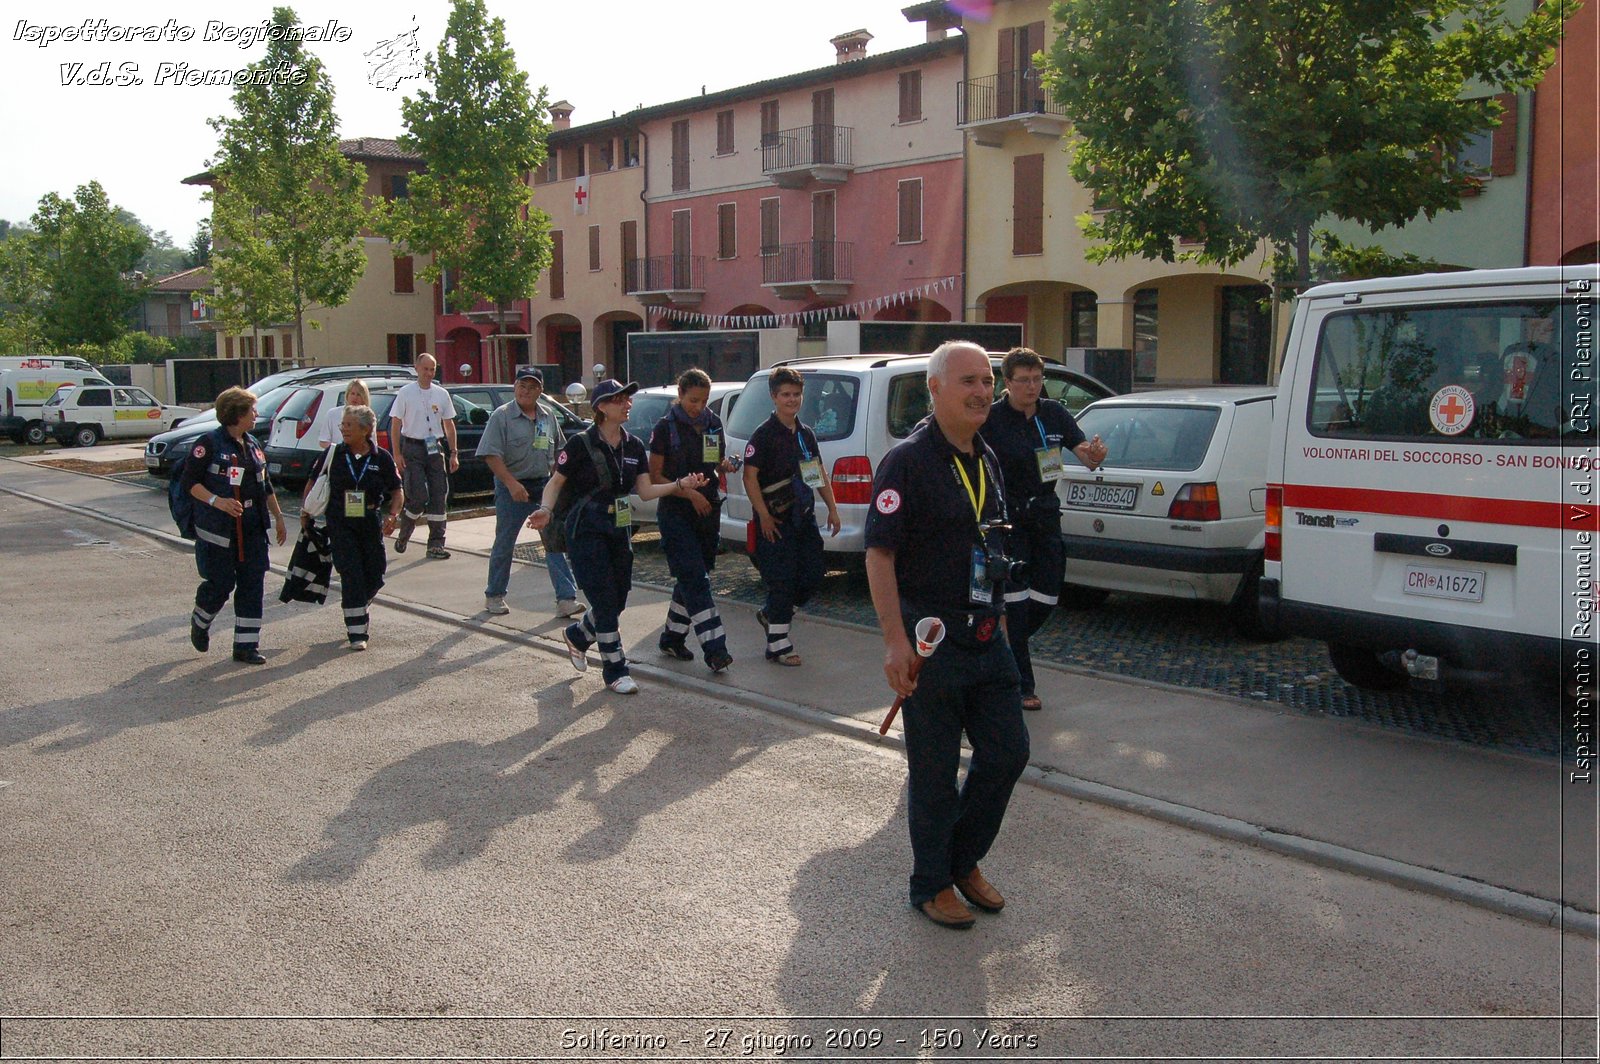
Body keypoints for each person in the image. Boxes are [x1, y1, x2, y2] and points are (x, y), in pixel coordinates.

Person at [864, 340, 1030, 930]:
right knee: (934, 772)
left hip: (988, 636)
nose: (983, 391)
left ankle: (962, 861)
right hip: (931, 640)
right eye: (968, 382)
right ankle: (930, 883)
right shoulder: (905, 462)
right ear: (934, 389)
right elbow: (879, 555)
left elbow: (995, 549)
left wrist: (1005, 626)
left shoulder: (986, 459)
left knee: (1009, 753)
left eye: (987, 381)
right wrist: (893, 641)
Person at [528, 379, 706, 694]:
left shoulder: (634, 445)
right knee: (605, 600)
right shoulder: (581, 444)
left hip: (619, 527)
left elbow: (646, 490)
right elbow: (556, 482)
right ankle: (615, 670)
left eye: (628, 399)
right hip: (587, 528)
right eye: (619, 399)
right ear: (601, 407)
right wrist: (546, 510)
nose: (627, 404)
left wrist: (679, 485)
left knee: (619, 596)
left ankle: (579, 635)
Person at [983, 348, 1107, 711]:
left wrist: (1095, 454)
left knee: (1048, 596)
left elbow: (1083, 452)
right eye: (1024, 380)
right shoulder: (992, 419)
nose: (1033, 387)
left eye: (1038, 379)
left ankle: (1002, 646)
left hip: (1046, 518)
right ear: (1008, 383)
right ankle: (1022, 684)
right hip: (1009, 522)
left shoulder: (1052, 413)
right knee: (1017, 604)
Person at [183, 386, 289, 665]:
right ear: (237, 414)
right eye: (252, 410)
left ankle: (246, 646)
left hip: (253, 527)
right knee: (220, 584)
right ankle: (201, 621)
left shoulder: (253, 445)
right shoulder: (208, 444)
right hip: (219, 530)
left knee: (253, 584)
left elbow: (265, 485)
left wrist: (278, 517)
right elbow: (189, 484)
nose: (256, 414)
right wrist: (217, 501)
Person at [743, 366, 841, 665]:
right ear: (774, 397)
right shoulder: (763, 436)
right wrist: (764, 517)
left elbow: (817, 473)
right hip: (775, 522)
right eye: (785, 394)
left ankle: (773, 614)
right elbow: (750, 478)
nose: (792, 400)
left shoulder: (805, 435)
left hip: (804, 518)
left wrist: (833, 509)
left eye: (796, 394)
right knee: (782, 582)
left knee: (812, 574)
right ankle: (779, 644)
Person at [476, 366, 584, 618]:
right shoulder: (501, 417)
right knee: (505, 542)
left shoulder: (548, 416)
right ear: (515, 387)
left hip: (542, 487)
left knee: (554, 541)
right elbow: (491, 455)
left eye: (532, 387)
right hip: (511, 487)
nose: (526, 391)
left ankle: (566, 599)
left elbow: (560, 451)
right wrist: (512, 484)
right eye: (522, 386)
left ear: (540, 391)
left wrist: (562, 480)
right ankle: (494, 595)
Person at [647, 368, 736, 673]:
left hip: (707, 511)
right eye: (693, 400)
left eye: (704, 400)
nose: (698, 406)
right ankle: (716, 649)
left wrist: (725, 465)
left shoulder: (713, 423)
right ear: (680, 393)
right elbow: (656, 476)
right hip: (676, 512)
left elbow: (714, 464)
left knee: (691, 577)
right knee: (697, 580)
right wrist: (689, 494)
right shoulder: (664, 429)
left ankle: (672, 638)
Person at [300, 405, 403, 650]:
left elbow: (397, 490)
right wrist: (306, 512)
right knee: (351, 572)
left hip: (369, 522)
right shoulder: (333, 454)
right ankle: (357, 632)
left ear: (365, 430)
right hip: (340, 522)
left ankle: (358, 603)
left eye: (348, 425)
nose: (343, 429)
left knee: (375, 574)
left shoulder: (382, 458)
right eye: (342, 425)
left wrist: (393, 514)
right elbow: (313, 483)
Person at [389, 353, 457, 559]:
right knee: (418, 495)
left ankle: (436, 543)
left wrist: (454, 453)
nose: (429, 373)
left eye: (432, 369)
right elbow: (396, 424)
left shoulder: (441, 394)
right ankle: (405, 533)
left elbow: (449, 424)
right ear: (417, 369)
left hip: (434, 448)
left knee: (439, 494)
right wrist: (397, 453)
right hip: (413, 448)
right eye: (425, 369)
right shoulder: (406, 393)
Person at [315, 378, 370, 449]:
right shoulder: (332, 414)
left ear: (364, 397)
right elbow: (323, 441)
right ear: (347, 395)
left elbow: (372, 443)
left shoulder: (368, 416)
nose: (355, 397)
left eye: (358, 395)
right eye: (352, 393)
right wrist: (339, 451)